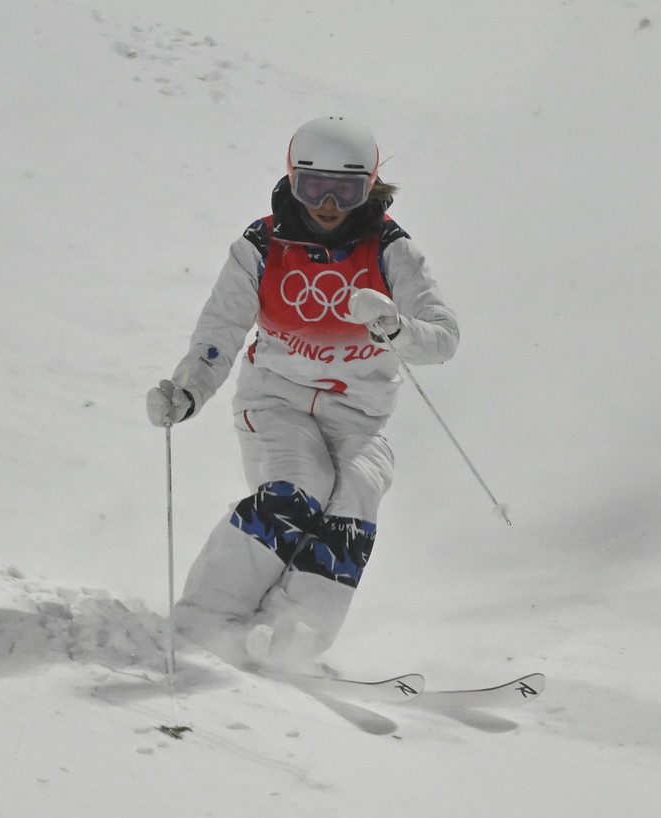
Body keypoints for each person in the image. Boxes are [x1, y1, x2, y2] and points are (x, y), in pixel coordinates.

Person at [145, 116, 459, 671]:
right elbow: (219, 331)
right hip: (276, 402)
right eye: (315, 187)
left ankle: (293, 634)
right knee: (301, 485)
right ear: (293, 181)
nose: (330, 204)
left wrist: (395, 327)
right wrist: (188, 390)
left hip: (359, 417)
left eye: (348, 189)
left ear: (371, 187)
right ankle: (207, 618)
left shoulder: (390, 250)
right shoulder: (261, 245)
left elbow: (443, 338)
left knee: (358, 487)